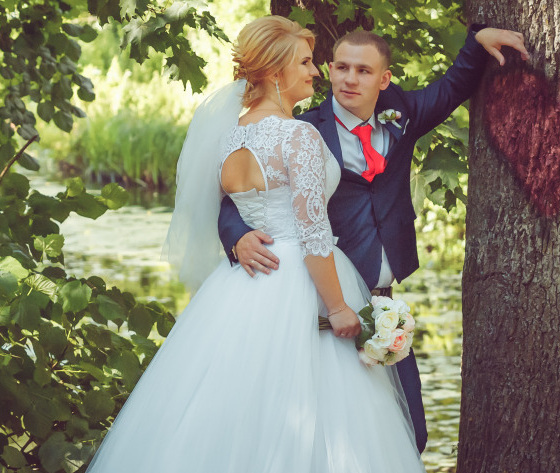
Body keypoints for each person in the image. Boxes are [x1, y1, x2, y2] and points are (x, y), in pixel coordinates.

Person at [55, 17, 456, 473]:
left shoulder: (229, 136)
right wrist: (341, 310)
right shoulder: (294, 138)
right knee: (316, 427)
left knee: (226, 426)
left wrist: (243, 235)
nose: (315, 72)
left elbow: (237, 203)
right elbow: (315, 236)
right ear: (273, 70)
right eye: (304, 61)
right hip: (297, 280)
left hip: (241, 294)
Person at [219, 23, 529, 451]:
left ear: (384, 79)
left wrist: (476, 42)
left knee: (410, 434)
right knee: (331, 438)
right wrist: (237, 238)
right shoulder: (302, 128)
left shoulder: (403, 115)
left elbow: (452, 86)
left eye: (363, 71)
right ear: (328, 70)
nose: (349, 78)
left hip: (380, 303)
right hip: (321, 303)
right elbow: (240, 198)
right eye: (340, 67)